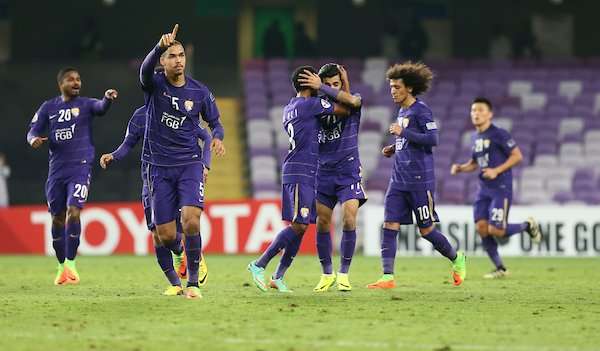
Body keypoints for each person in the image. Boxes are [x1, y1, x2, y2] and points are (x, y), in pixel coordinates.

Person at [247, 65, 353, 293]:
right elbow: (346, 108)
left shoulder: (290, 107)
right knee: (300, 224)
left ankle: (278, 277)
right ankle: (258, 264)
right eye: (315, 80)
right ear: (308, 82)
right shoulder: (310, 104)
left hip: (300, 170)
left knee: (300, 226)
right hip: (300, 171)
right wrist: (339, 84)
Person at [139, 24, 225, 299]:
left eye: (181, 55)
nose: (178, 60)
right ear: (162, 62)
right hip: (158, 168)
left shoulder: (200, 92)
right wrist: (158, 46)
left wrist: (218, 138)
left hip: (189, 164)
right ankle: (182, 253)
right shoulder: (155, 85)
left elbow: (216, 122)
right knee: (165, 235)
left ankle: (193, 284)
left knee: (190, 220)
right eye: (172, 56)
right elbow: (143, 72)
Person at [367, 61, 466, 289]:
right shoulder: (402, 111)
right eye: (391, 87)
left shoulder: (422, 110)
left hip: (419, 180)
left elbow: (433, 140)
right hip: (398, 179)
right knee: (390, 224)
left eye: (397, 87)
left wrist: (404, 132)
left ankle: (456, 258)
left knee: (426, 230)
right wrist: (395, 146)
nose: (393, 91)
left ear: (409, 88)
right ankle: (387, 277)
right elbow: (408, 140)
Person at [99, 106, 211, 294]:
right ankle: (176, 278)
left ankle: (192, 270)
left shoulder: (179, 110)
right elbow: (128, 142)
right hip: (153, 179)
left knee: (186, 221)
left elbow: (205, 136)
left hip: (180, 174)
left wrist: (205, 165)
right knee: (159, 235)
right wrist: (114, 156)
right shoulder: (140, 115)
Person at [26, 67, 118, 285]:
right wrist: (33, 140)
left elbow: (101, 107)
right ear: (61, 84)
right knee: (57, 218)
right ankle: (60, 268)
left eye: (78, 79)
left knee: (74, 211)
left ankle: (71, 263)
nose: (76, 82)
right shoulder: (48, 107)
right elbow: (32, 130)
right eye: (71, 79)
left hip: (80, 167)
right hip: (57, 170)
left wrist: (107, 98)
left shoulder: (86, 104)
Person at [451, 97, 542, 278]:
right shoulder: (474, 137)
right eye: (473, 110)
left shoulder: (499, 134)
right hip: (483, 189)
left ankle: (528, 225)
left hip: (501, 187)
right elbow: (475, 163)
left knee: (497, 230)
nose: (476, 113)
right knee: (482, 228)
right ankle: (501, 268)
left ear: (490, 114)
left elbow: (517, 156)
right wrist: (461, 168)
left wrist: (496, 170)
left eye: (480, 110)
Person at [311, 63, 365, 292]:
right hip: (323, 172)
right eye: (328, 84)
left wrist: (326, 86)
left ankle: (344, 273)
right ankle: (326, 274)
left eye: (337, 84)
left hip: (348, 171)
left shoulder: (355, 100)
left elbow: (352, 101)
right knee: (323, 222)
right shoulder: (315, 107)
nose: (333, 88)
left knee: (349, 218)